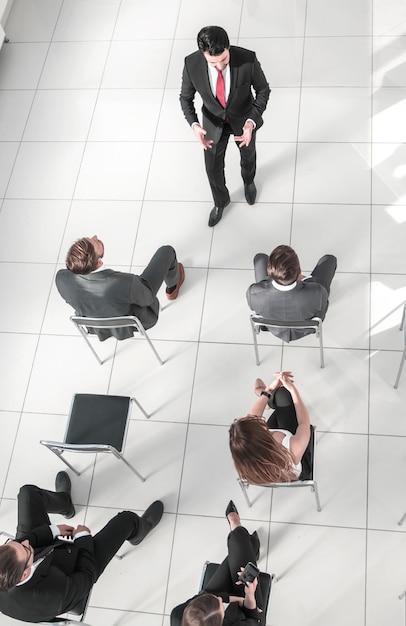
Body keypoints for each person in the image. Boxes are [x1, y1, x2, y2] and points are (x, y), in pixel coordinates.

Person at [0, 471, 164, 623]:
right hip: (75, 573)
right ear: (24, 574)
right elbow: (86, 577)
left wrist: (53, 531)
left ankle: (65, 503)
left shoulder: (17, 556)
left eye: (16, 543)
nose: (26, 543)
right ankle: (140, 531)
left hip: (44, 558)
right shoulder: (52, 596)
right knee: (126, 520)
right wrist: (83, 538)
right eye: (26, 550)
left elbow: (26, 543)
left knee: (28, 493)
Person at [180, 25, 270, 227]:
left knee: (248, 156)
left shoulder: (248, 59)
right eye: (213, 62)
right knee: (212, 168)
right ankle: (220, 202)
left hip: (243, 121)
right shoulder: (191, 64)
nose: (220, 66)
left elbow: (263, 90)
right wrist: (194, 125)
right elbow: (185, 98)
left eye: (224, 60)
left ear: (229, 48)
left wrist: (251, 122)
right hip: (212, 124)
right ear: (203, 55)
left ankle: (248, 182)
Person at [56, 236, 185, 340]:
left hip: (96, 326)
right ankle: (172, 289)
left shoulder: (61, 279)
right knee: (166, 251)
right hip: (135, 321)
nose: (95, 237)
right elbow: (147, 298)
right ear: (99, 262)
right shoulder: (124, 282)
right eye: (95, 242)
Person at [170, 500, 264, 626]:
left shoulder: (177, 616)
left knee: (239, 549)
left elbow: (211, 595)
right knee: (241, 548)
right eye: (221, 604)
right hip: (249, 616)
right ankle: (248, 542)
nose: (220, 599)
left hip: (216, 600)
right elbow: (253, 618)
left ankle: (250, 546)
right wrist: (249, 595)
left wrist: (237, 600)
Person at [229, 372, 311, 484]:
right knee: (283, 394)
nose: (261, 420)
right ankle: (271, 400)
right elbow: (304, 422)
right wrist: (293, 390)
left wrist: (268, 390)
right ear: (262, 436)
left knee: (277, 398)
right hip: (298, 461)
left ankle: (270, 399)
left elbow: (252, 418)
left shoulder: (245, 452)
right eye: (260, 423)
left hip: (272, 460)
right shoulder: (292, 450)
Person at [247, 245, 337, 342]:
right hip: (306, 328)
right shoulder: (318, 292)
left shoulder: (253, 293)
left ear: (270, 272)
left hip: (271, 326)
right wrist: (308, 280)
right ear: (299, 271)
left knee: (260, 257)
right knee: (329, 260)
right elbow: (324, 307)